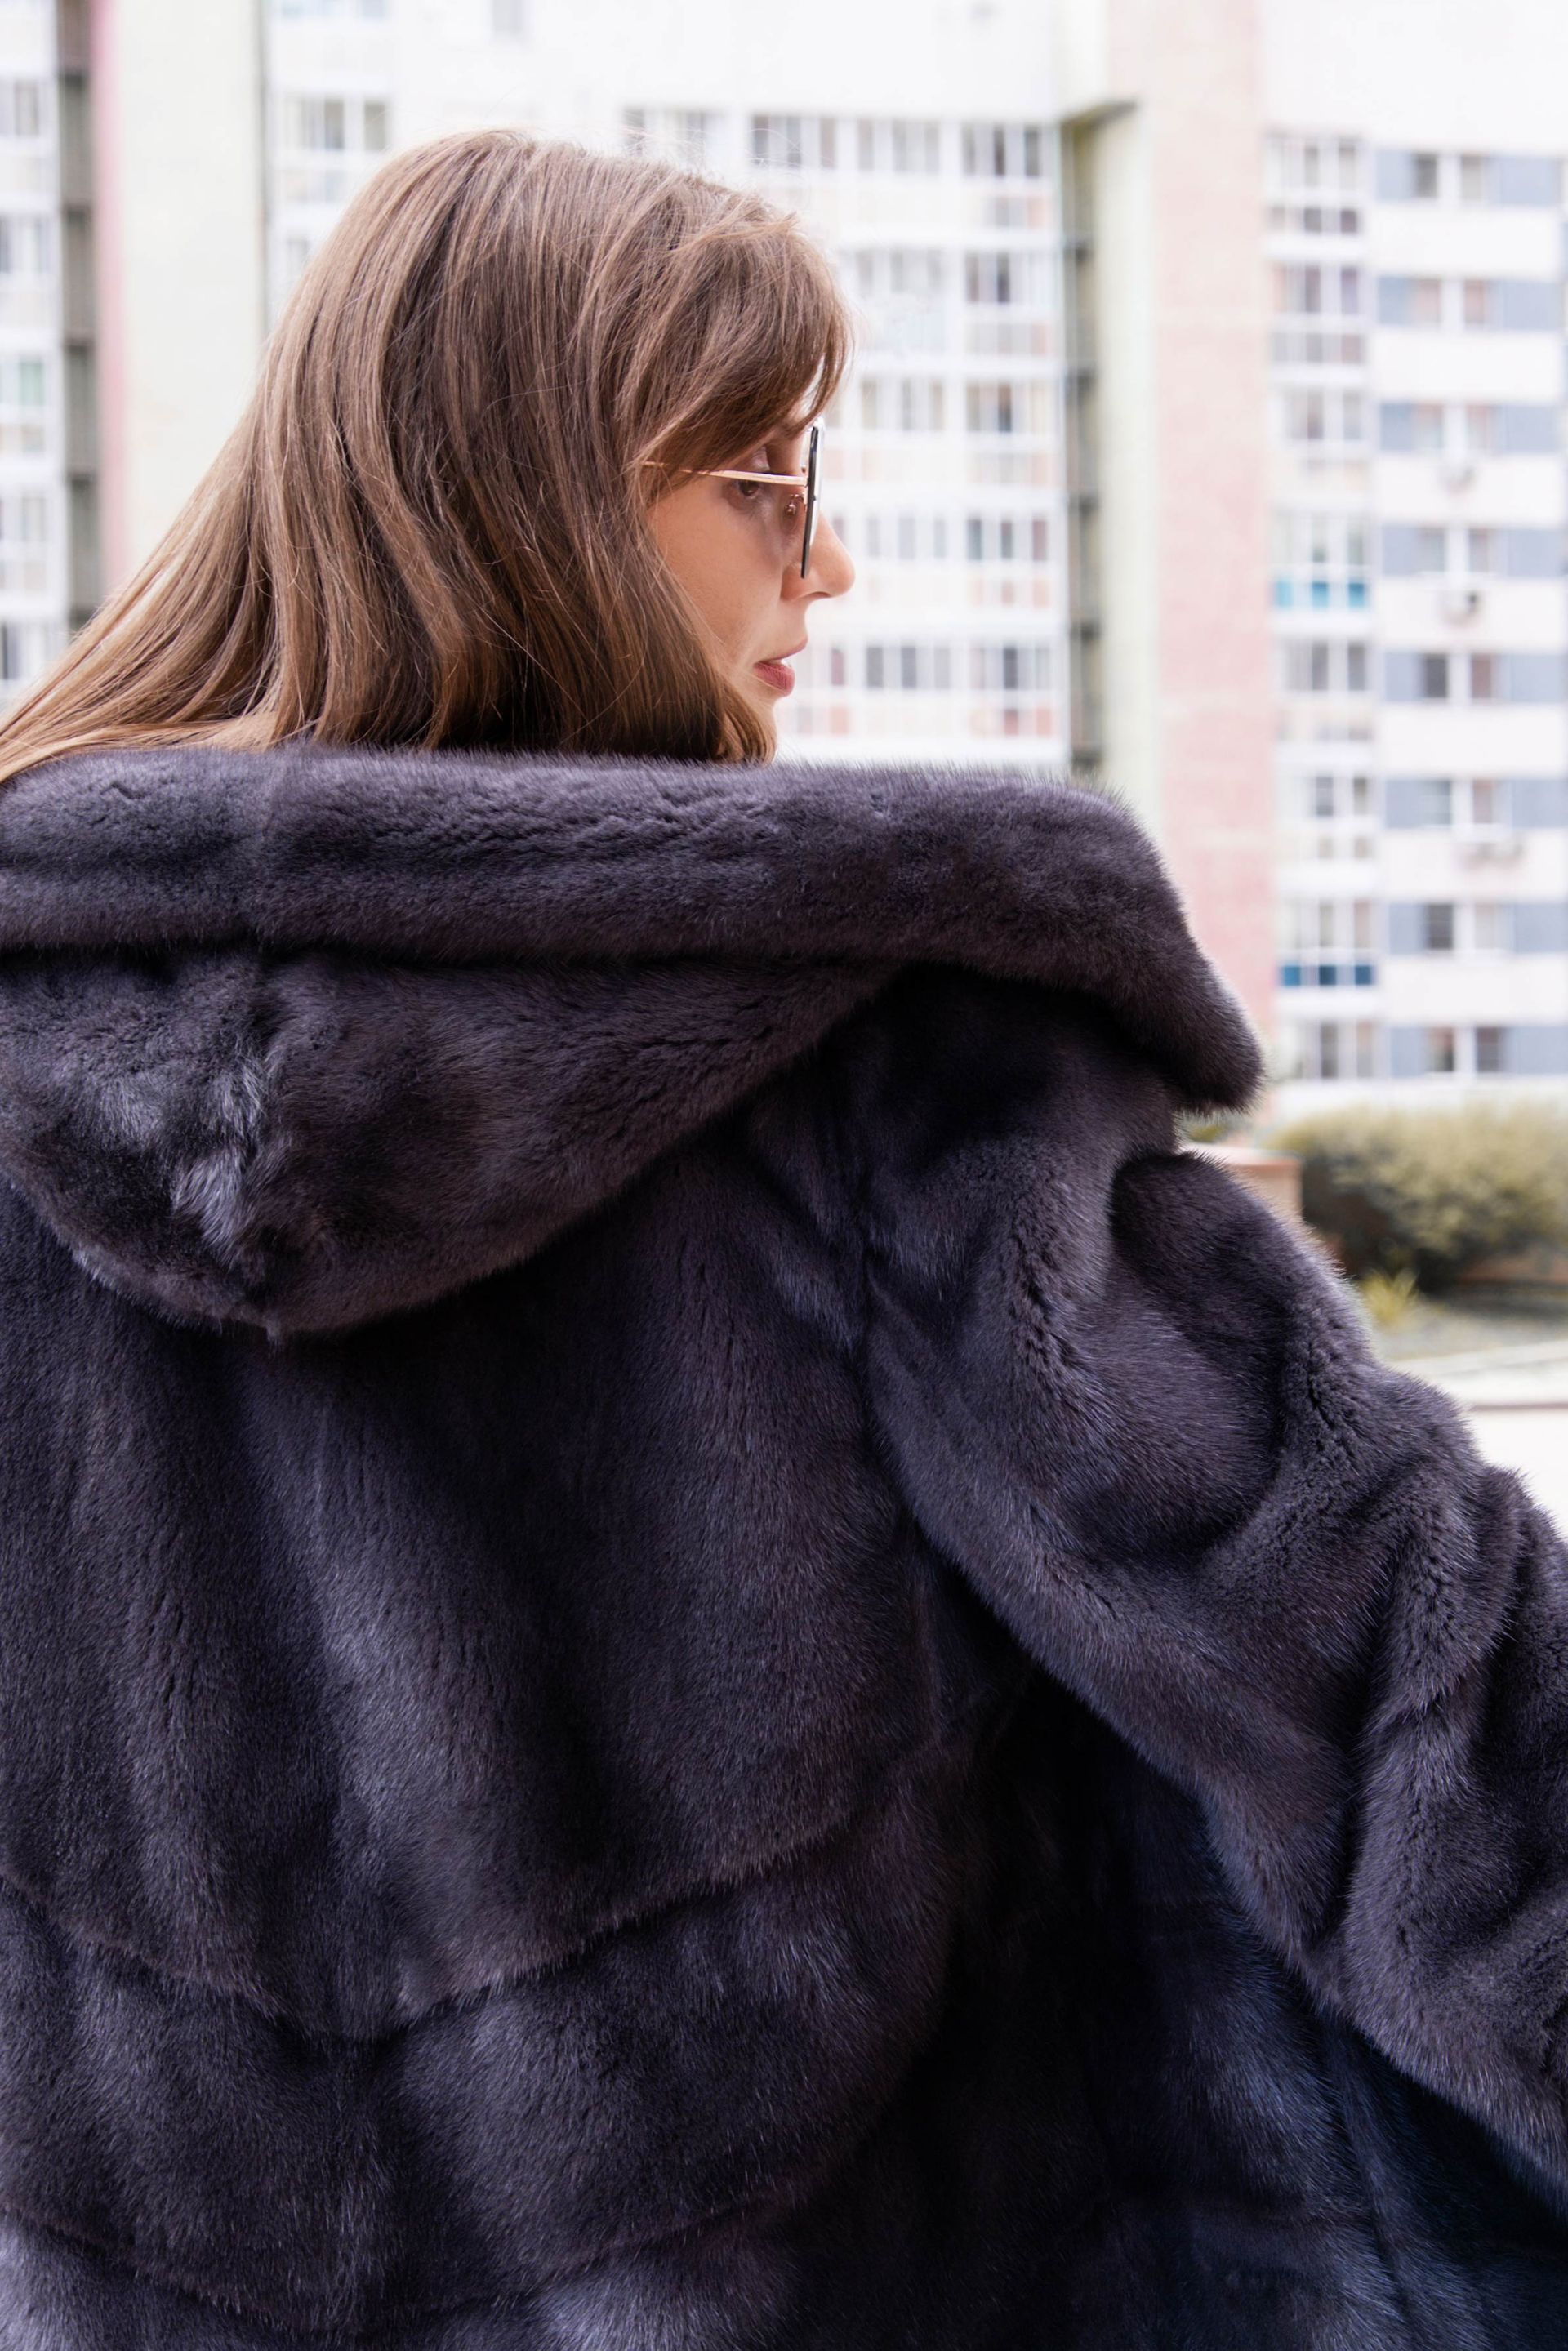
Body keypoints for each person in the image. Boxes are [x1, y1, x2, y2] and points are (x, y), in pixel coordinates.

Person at [0, 126, 1563, 2351]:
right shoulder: (892, 1071)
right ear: (533, 494)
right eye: (762, 477)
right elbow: (1420, 1708)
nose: (822, 569)